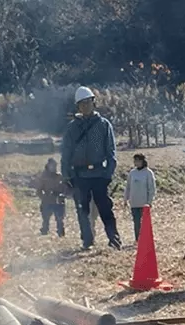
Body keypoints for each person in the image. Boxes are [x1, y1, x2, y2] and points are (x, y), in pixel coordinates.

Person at [61, 86, 122, 250]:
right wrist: (66, 176)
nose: (85, 106)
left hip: (99, 174)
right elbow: (65, 153)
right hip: (79, 175)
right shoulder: (72, 128)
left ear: (93, 103)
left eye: (88, 102)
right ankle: (87, 241)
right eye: (82, 104)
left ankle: (114, 239)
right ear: (78, 106)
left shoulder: (103, 125)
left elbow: (111, 152)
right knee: (82, 210)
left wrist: (108, 174)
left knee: (105, 209)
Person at [125, 153, 157, 241]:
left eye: (138, 161)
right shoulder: (132, 173)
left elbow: (151, 188)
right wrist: (125, 199)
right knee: (136, 222)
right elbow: (128, 187)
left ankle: (145, 239)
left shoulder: (148, 173)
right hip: (134, 202)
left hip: (144, 203)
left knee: (144, 223)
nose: (136, 163)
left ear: (143, 161)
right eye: (135, 161)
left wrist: (149, 202)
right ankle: (137, 239)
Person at [35, 158, 69, 237]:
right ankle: (44, 230)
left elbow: (65, 188)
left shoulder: (59, 176)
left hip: (58, 201)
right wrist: (44, 197)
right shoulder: (43, 177)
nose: (54, 167)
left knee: (59, 219)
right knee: (46, 219)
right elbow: (39, 190)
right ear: (48, 166)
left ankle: (60, 232)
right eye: (52, 165)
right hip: (47, 201)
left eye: (55, 165)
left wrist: (62, 195)